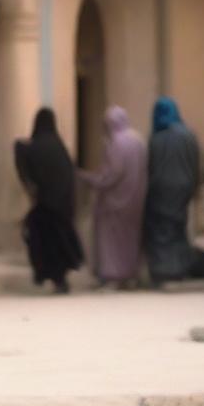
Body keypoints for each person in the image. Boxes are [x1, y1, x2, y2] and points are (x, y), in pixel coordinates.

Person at [144, 97, 204, 286]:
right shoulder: (188, 135)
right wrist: (195, 187)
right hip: (184, 189)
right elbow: (196, 164)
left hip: (161, 190)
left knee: (161, 230)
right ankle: (178, 267)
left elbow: (151, 166)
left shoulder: (157, 138)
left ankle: (163, 269)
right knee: (179, 226)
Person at [14, 108, 83, 294]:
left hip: (45, 205)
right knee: (59, 241)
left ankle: (49, 276)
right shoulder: (59, 147)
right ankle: (59, 278)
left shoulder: (35, 147)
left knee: (43, 241)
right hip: (62, 205)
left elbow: (27, 168)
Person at [79, 106, 147, 288]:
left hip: (115, 201)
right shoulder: (138, 140)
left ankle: (114, 274)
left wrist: (89, 179)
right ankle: (131, 274)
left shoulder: (116, 142)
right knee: (130, 238)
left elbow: (112, 174)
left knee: (112, 240)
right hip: (137, 199)